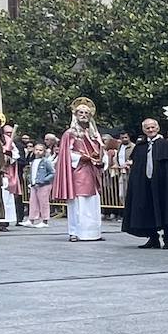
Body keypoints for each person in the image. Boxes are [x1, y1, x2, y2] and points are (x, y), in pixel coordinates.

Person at [122, 118, 168, 249]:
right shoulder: (140, 147)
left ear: (158, 128)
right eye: (147, 128)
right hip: (146, 184)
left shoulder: (167, 145)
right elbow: (137, 167)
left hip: (164, 185)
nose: (150, 130)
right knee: (147, 209)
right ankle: (152, 238)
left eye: (152, 127)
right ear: (144, 130)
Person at [53, 97, 104, 242]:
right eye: (81, 113)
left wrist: (101, 159)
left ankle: (93, 232)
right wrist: (81, 158)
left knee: (92, 203)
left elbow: (101, 151)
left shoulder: (94, 134)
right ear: (75, 115)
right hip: (79, 172)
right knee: (78, 203)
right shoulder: (70, 133)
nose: (84, 115)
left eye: (87, 113)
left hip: (93, 172)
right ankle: (75, 232)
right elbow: (66, 154)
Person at [26, 143, 54, 227]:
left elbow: (52, 173)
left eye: (40, 150)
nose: (38, 152)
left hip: (44, 185)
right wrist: (30, 180)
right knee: (33, 202)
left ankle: (45, 220)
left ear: (44, 152)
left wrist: (44, 180)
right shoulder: (34, 161)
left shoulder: (46, 161)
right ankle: (31, 219)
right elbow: (31, 172)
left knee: (43, 202)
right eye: (37, 150)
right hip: (34, 184)